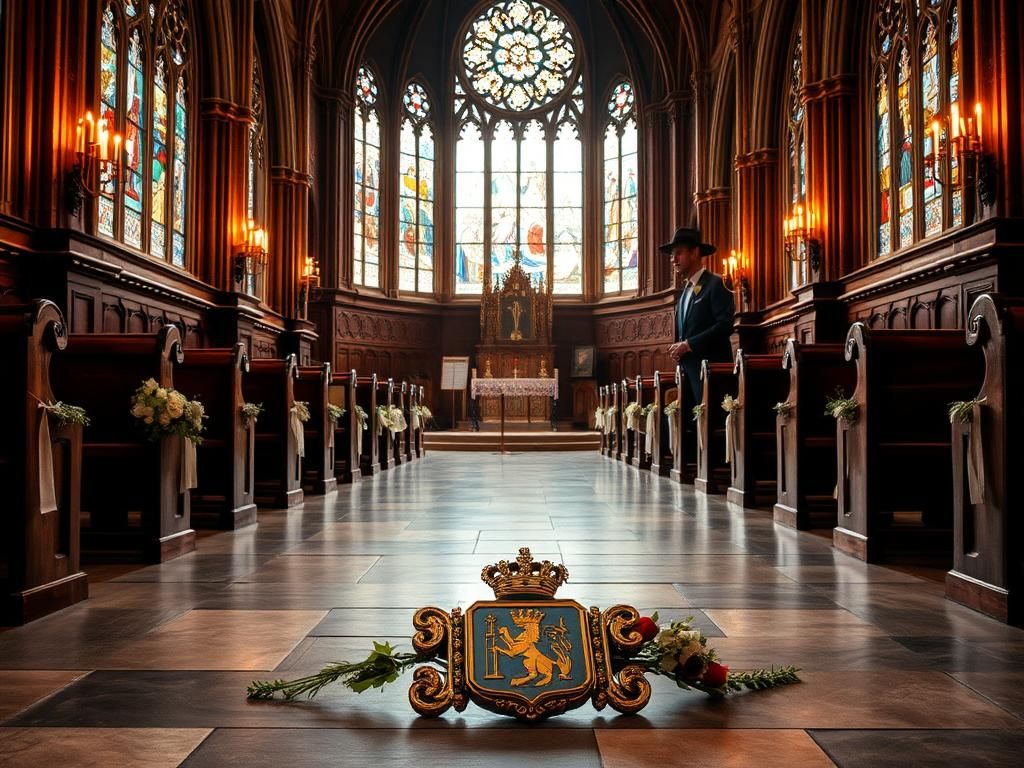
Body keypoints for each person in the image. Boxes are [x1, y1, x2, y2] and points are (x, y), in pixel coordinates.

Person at [662, 226, 735, 405]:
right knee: (686, 428)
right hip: (686, 372)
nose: (674, 259)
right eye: (672, 255)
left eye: (679, 253)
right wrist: (679, 349)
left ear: (695, 253)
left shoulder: (716, 283)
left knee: (707, 426)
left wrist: (688, 345)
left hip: (710, 372)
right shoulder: (685, 292)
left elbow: (725, 325)